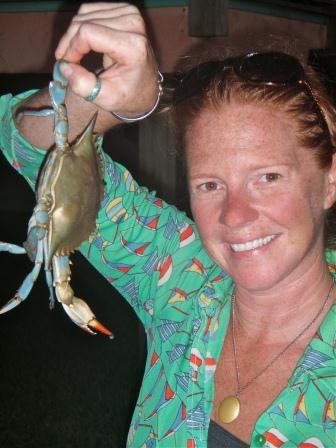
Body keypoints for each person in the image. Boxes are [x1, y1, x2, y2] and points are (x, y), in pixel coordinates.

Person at [0, 3, 335, 447]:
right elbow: (28, 146)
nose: (235, 215)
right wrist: (105, 104)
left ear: (329, 182)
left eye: (267, 177)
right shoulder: (181, 276)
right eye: (210, 184)